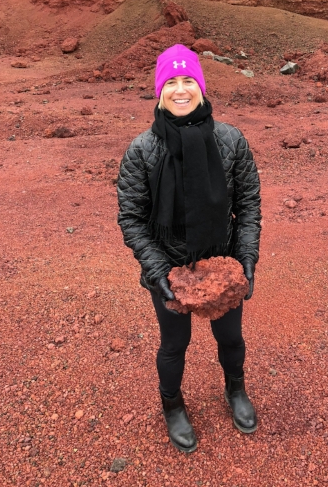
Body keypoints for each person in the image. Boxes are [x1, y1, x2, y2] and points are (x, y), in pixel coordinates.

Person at [117, 44, 261, 453]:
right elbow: (131, 217)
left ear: (200, 86)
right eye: (171, 82)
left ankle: (236, 390)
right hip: (168, 263)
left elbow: (249, 204)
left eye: (188, 81)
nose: (181, 90)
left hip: (221, 259)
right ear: (159, 90)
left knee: (230, 338)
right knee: (174, 344)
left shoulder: (230, 141)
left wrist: (245, 257)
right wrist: (157, 271)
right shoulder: (142, 150)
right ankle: (173, 406)